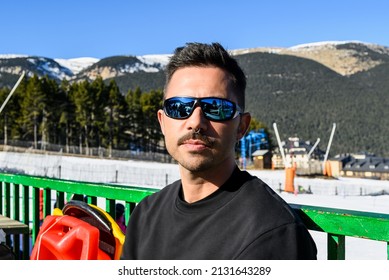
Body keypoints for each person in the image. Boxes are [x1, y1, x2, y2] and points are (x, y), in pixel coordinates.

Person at [121, 42, 317, 260]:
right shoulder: (146, 214)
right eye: (179, 107)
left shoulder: (273, 233)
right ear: (162, 121)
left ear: (241, 126)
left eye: (216, 108)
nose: (195, 122)